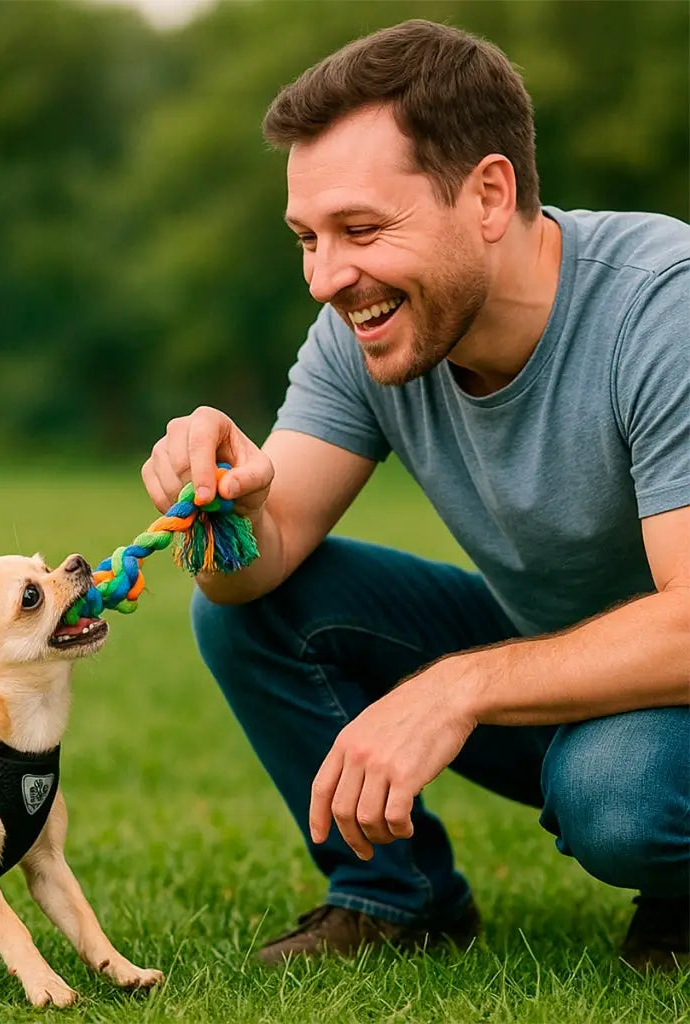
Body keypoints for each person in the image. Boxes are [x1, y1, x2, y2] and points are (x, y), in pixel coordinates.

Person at [141, 19, 689, 970]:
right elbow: (251, 577)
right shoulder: (374, 325)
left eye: (359, 230)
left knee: (620, 795)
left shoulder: (661, 309)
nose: (325, 278)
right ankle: (398, 901)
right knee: (253, 613)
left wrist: (460, 685)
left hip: (653, 698)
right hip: (571, 687)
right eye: (307, 238)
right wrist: (225, 509)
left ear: (487, 194)